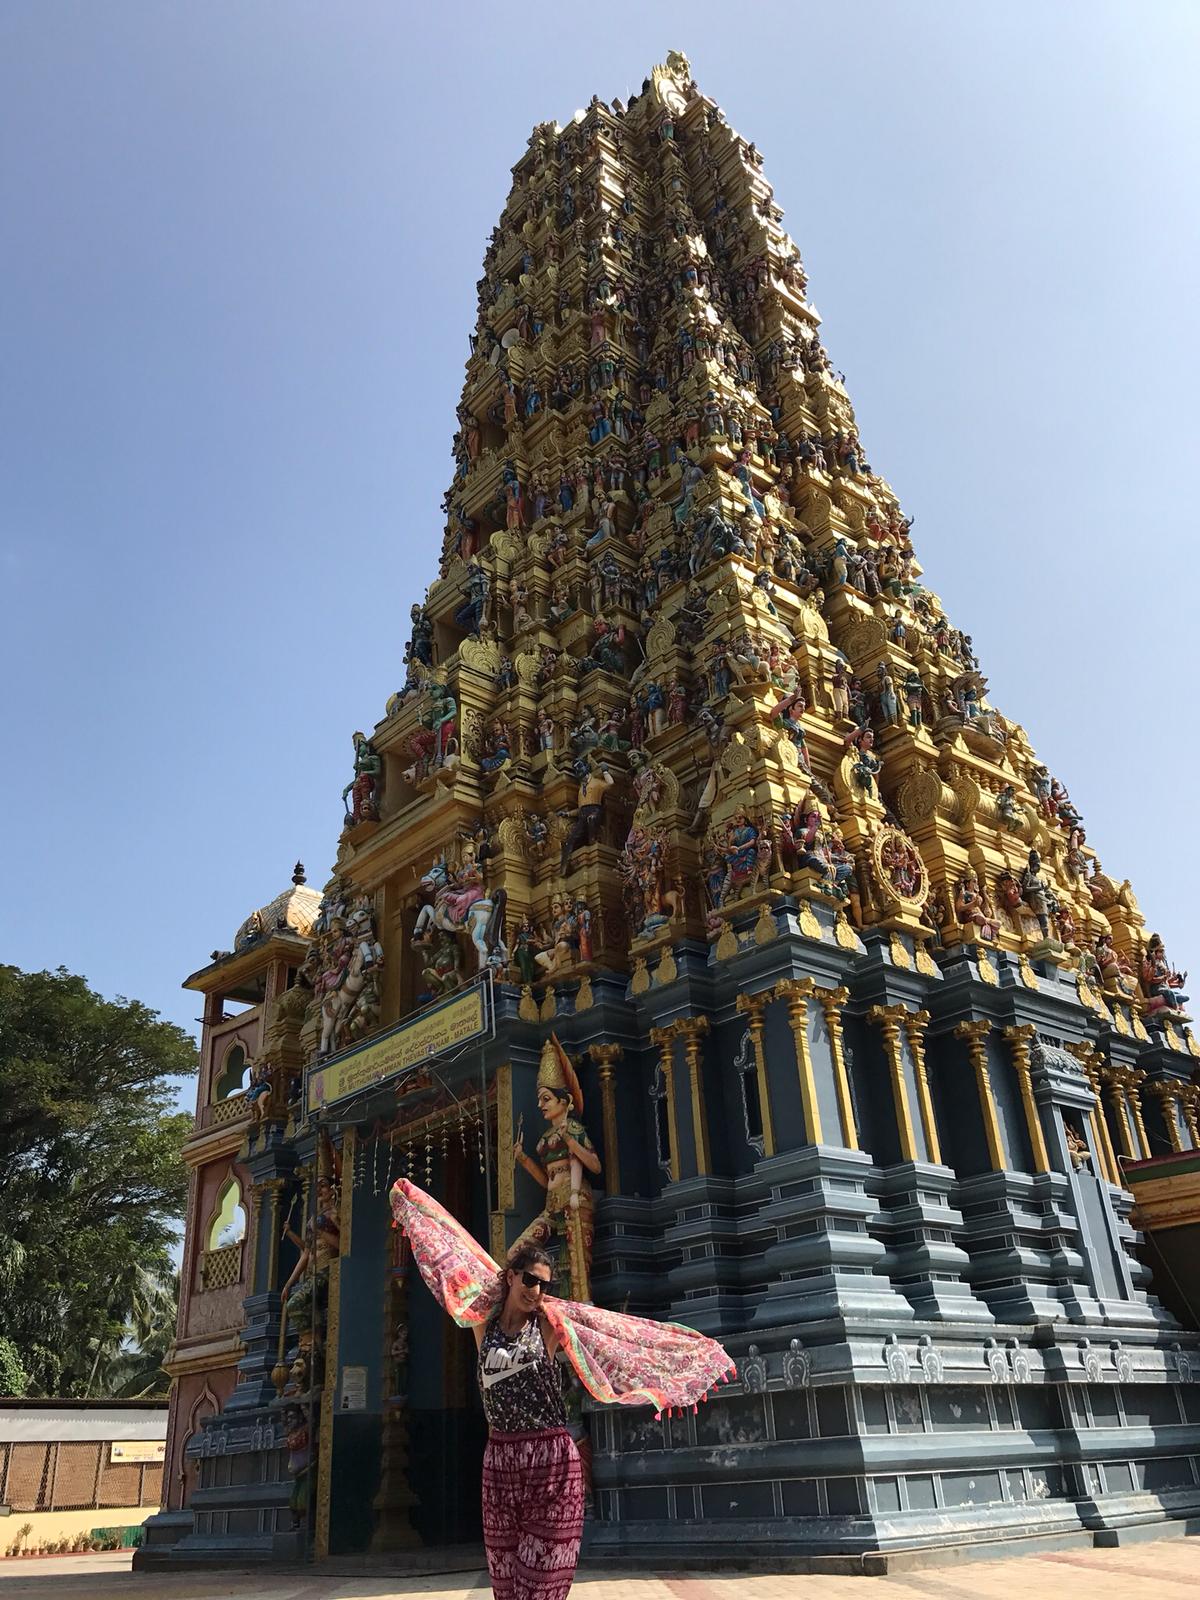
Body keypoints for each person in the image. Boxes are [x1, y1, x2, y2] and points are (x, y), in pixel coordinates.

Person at [473, 1244, 583, 1600]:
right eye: (529, 1279)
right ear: (510, 1276)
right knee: (506, 1588)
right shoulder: (482, 1329)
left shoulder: (548, 1327)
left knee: (540, 1586)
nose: (535, 1290)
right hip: (499, 1465)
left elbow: (596, 1323)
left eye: (544, 1285)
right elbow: (457, 1271)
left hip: (550, 1464)